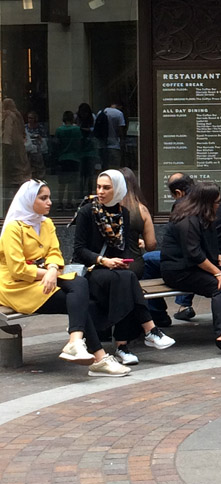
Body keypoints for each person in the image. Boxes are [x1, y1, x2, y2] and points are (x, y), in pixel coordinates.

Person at [0, 180, 130, 377]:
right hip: (17, 287)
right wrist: (49, 273)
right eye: (43, 198)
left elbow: (55, 253)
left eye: (49, 197)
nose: (50, 202)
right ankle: (98, 358)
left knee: (79, 286)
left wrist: (52, 269)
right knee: (79, 301)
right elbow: (18, 270)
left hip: (44, 278)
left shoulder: (46, 223)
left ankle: (76, 342)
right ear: (28, 200)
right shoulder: (13, 228)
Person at [72, 170, 176, 366]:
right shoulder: (87, 211)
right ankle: (145, 333)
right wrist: (103, 260)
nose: (100, 191)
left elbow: (123, 248)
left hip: (113, 270)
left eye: (106, 188)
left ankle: (125, 345)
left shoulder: (124, 213)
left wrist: (121, 261)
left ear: (118, 190)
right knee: (127, 280)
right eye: (98, 187)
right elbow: (79, 250)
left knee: (126, 279)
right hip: (92, 270)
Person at [160, 180, 221, 354]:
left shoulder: (204, 216)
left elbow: (208, 245)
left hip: (194, 267)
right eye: (217, 203)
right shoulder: (187, 220)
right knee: (220, 286)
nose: (219, 206)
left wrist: (219, 258)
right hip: (178, 271)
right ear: (206, 203)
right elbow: (194, 254)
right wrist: (218, 273)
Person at [54, 111, 82, 208]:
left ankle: (60, 202)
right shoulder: (77, 130)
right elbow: (79, 143)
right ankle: (69, 202)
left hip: (62, 158)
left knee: (62, 183)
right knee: (72, 182)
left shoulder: (59, 130)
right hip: (74, 158)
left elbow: (56, 144)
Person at [95, 102, 126, 170]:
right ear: (119, 106)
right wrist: (122, 142)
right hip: (114, 145)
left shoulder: (100, 112)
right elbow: (120, 130)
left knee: (104, 168)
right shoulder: (119, 114)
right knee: (114, 168)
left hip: (101, 145)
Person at [76, 102, 98, 197]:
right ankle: (81, 192)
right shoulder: (77, 118)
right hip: (82, 150)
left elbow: (95, 130)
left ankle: (89, 192)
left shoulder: (92, 118)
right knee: (82, 174)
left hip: (90, 150)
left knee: (89, 174)